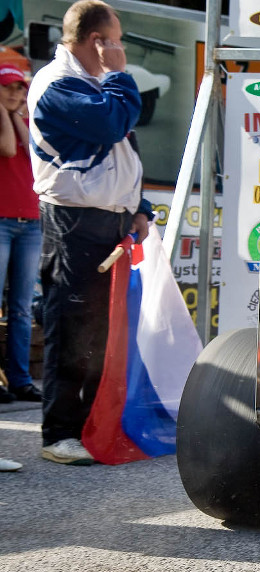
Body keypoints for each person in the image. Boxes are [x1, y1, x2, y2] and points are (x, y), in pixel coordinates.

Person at [28, 0, 154, 466]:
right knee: (72, 326)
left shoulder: (95, 83)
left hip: (111, 219)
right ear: (97, 41)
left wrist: (138, 207)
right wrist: (120, 74)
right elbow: (112, 123)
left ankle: (90, 426)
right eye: (115, 40)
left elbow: (124, 150)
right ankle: (58, 432)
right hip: (74, 221)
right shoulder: (56, 83)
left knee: (102, 331)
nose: (121, 50)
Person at [0, 65, 43, 405]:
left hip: (30, 223)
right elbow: (8, 150)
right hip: (1, 222)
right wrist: (5, 113)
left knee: (21, 308)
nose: (15, 95)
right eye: (7, 88)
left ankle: (21, 381)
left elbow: (31, 151)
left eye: (19, 89)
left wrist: (14, 115)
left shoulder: (25, 123)